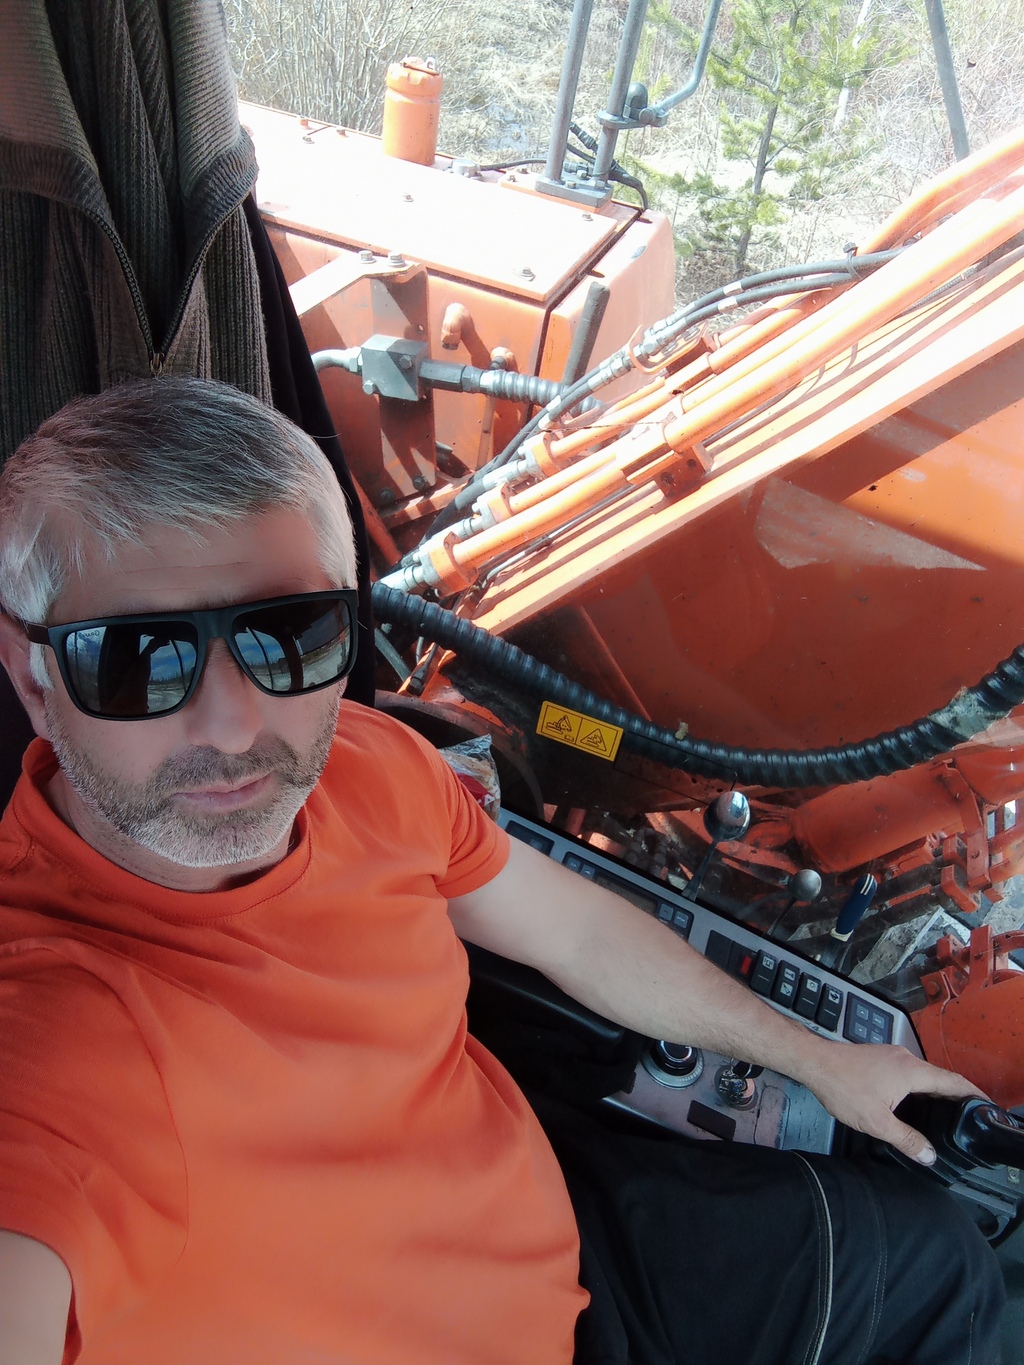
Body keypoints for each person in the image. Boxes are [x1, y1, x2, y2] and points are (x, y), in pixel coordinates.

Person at [0, 378, 1004, 1365]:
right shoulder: (53, 1040)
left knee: (937, 1262)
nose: (232, 728)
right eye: (137, 659)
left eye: (289, 637)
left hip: (567, 1238)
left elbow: (577, 932)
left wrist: (825, 1062)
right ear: (31, 677)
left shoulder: (375, 768)